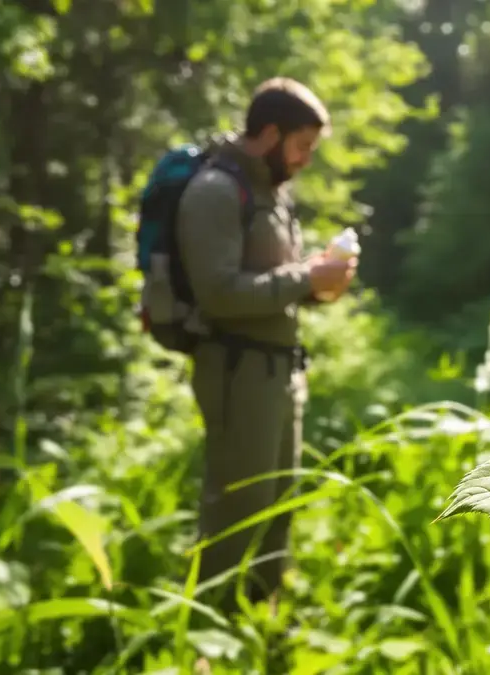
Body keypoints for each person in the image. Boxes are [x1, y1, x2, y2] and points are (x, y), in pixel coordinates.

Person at [175, 77, 356, 612]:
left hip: (280, 372)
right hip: (236, 373)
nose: (304, 160)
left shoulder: (271, 193)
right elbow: (219, 293)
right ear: (271, 133)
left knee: (278, 505)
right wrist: (307, 277)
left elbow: (277, 285)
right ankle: (210, 634)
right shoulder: (214, 191)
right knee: (237, 507)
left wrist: (324, 285)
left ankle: (261, 620)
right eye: (301, 146)